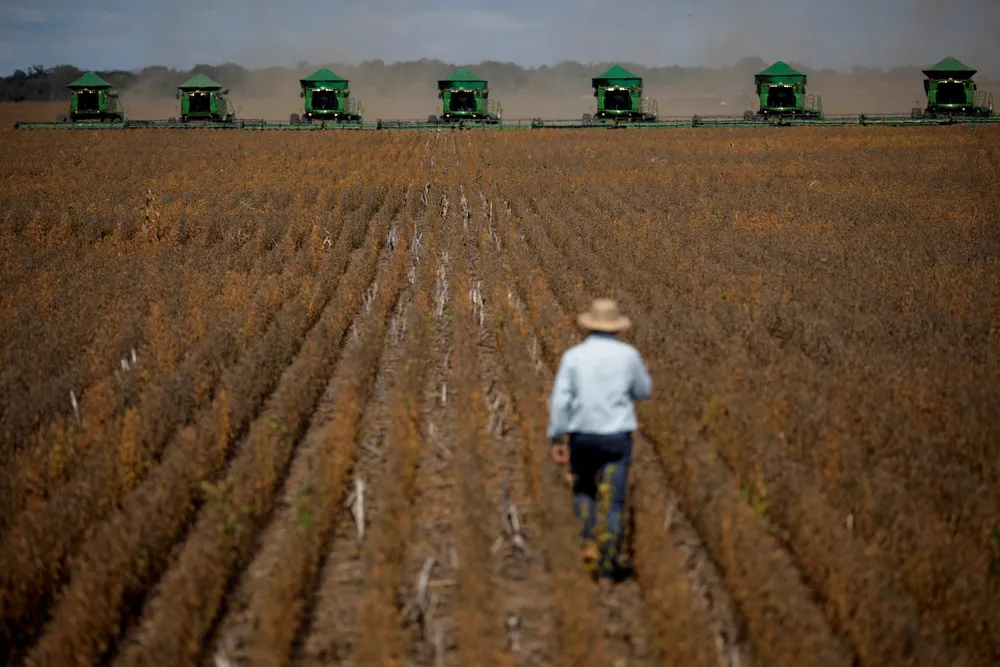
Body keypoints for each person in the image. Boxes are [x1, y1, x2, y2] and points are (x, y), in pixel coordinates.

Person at [548, 298, 653, 581]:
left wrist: (558, 437)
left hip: (582, 436)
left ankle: (586, 545)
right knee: (615, 500)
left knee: (584, 489)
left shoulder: (574, 356)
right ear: (616, 326)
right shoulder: (628, 355)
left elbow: (560, 401)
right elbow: (644, 391)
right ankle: (608, 562)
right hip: (617, 438)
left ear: (589, 326)